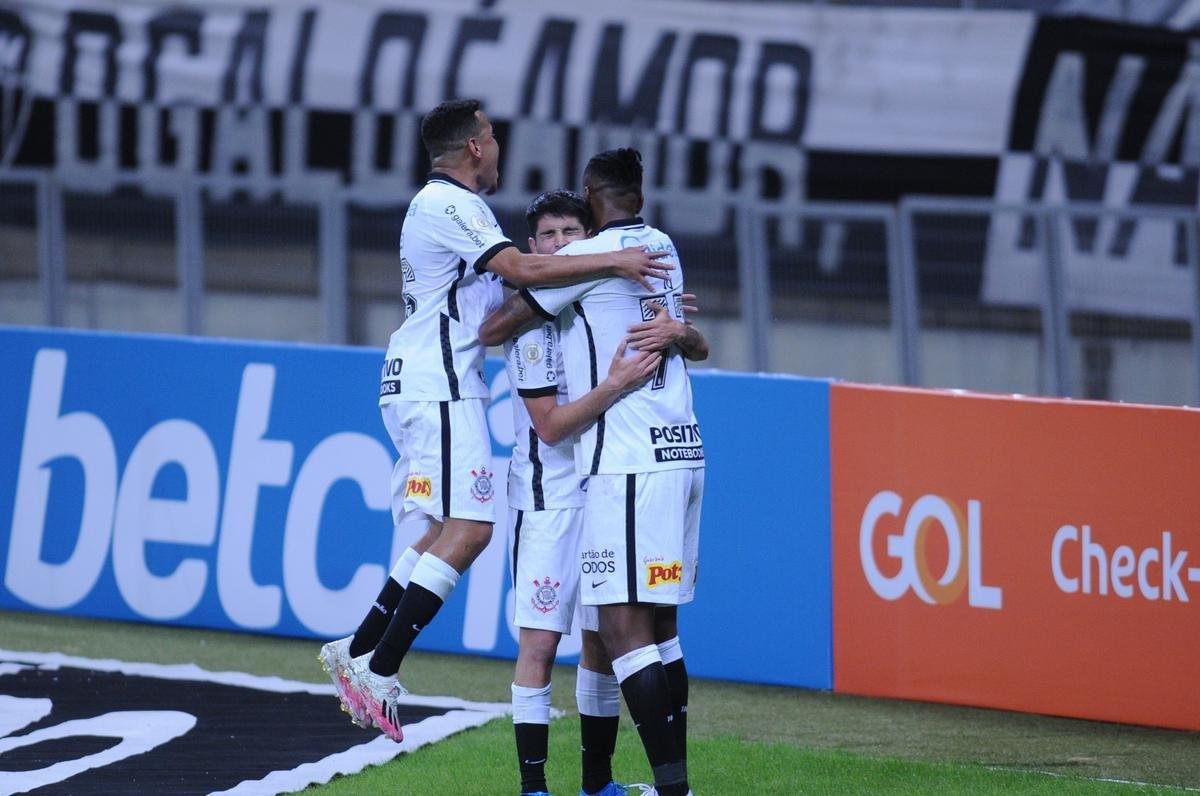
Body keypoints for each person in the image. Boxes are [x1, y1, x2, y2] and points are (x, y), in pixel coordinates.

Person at [318, 101, 673, 744]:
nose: (499, 144)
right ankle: (382, 668)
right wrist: (611, 263)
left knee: (437, 529)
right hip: (441, 381)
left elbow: (508, 300)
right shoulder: (451, 204)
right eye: (492, 134)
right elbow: (520, 272)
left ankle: (358, 647)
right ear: (475, 147)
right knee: (474, 526)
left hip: (425, 380)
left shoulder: (450, 208)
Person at [481, 149, 708, 796]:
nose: (559, 246)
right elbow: (692, 338)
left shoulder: (588, 265)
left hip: (629, 467)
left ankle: (669, 788)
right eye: (547, 238)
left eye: (568, 234)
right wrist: (681, 332)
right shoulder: (661, 246)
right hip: (677, 451)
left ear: (590, 204)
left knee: (618, 628)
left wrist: (570, 272)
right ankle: (614, 783)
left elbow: (494, 326)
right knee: (656, 627)